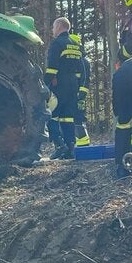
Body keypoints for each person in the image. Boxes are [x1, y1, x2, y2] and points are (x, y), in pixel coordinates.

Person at [44, 17, 83, 159]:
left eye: (54, 27)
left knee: (51, 115)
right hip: (73, 84)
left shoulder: (57, 43)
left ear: (59, 26)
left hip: (59, 83)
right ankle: (70, 149)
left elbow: (52, 69)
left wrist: (44, 85)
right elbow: (81, 69)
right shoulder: (76, 44)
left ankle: (59, 145)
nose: (53, 30)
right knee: (68, 117)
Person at [72, 33, 92, 147]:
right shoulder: (72, 61)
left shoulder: (83, 61)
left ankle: (83, 142)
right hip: (71, 94)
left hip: (79, 95)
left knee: (78, 118)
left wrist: (81, 96)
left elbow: (85, 79)